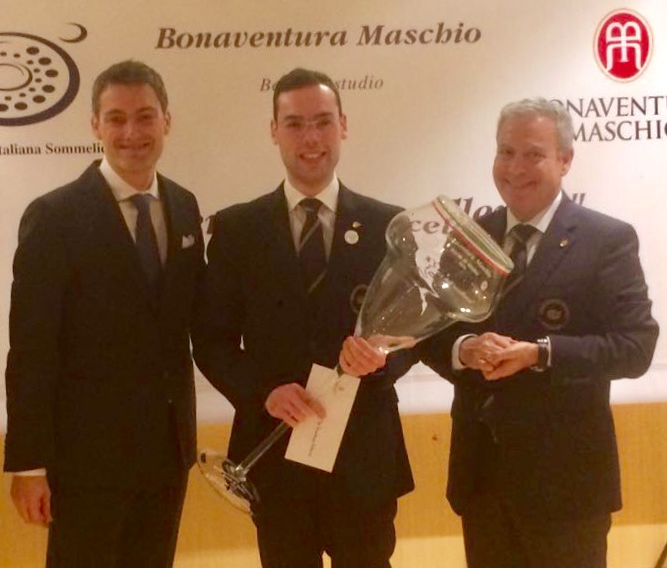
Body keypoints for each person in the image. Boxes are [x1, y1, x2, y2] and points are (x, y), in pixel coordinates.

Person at [421, 97, 659, 568]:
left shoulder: (606, 240)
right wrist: (465, 348)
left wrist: (541, 353)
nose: (515, 168)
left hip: (567, 487)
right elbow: (430, 335)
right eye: (506, 152)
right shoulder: (470, 237)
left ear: (565, 160)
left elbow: (635, 347)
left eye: (533, 154)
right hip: (483, 480)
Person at [194, 67, 414, 568]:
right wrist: (263, 392)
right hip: (274, 457)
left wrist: (383, 359)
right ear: (274, 131)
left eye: (322, 122)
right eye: (294, 124)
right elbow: (211, 341)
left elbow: (411, 334)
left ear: (343, 125)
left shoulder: (389, 225)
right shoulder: (236, 230)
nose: (310, 138)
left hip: (363, 458)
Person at [4, 60, 204, 568]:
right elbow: (31, 347)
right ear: (95, 125)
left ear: (166, 121)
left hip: (167, 454)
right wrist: (28, 463)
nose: (131, 132)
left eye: (145, 116)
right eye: (116, 118)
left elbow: (192, 317)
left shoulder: (184, 206)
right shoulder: (55, 217)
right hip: (84, 460)